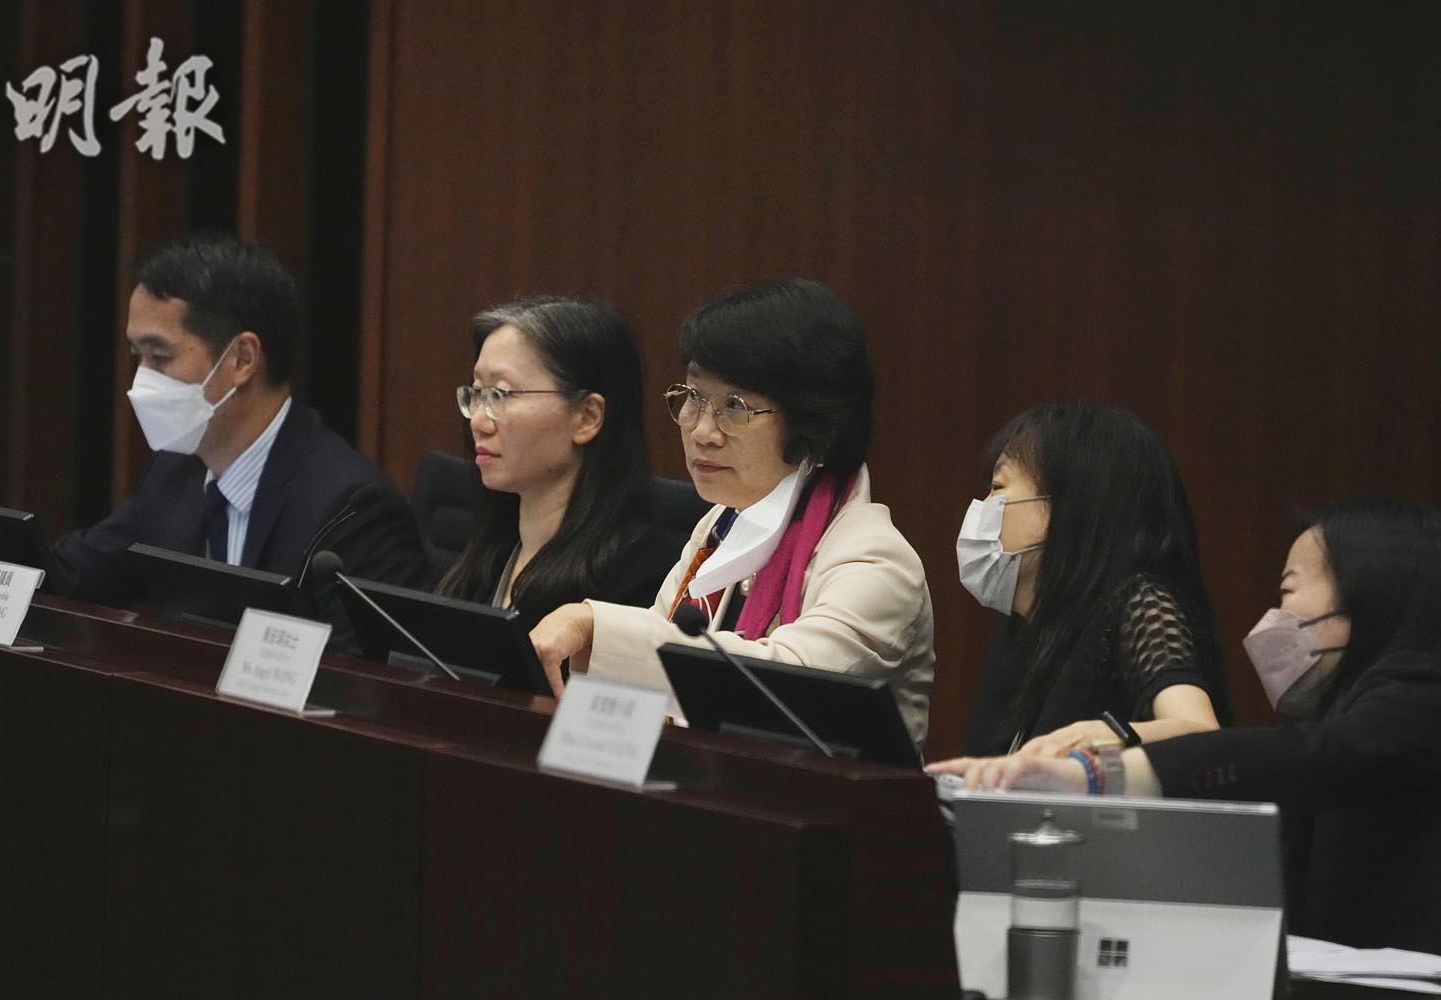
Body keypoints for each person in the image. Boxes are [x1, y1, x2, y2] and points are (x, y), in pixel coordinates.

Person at [931, 499, 1441, 952]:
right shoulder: (1355, 707)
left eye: (1288, 589)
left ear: (1369, 592)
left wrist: (1097, 774)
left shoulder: (1421, 692)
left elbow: (1310, 757)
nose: (1275, 615)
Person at [529, 279, 934, 748]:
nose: (702, 431)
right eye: (694, 398)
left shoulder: (877, 561)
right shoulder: (722, 523)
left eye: (735, 407)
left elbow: (786, 684)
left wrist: (598, 627)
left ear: (814, 423)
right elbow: (656, 673)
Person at [53, 231, 427, 609]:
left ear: (242, 359)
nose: (141, 381)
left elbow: (359, 649)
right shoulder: (176, 473)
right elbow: (73, 576)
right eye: (138, 356)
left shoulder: (350, 510)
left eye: (160, 357)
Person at [957, 402, 1229, 757]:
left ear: (1069, 504)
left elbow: (1200, 732)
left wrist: (1101, 734)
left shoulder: (1140, 602)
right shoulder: (1024, 630)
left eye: (998, 486)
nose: (983, 506)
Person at [436, 295, 682, 631]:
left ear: (587, 417)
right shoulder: (488, 553)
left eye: (501, 394)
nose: (478, 421)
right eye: (478, 392)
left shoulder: (640, 579)